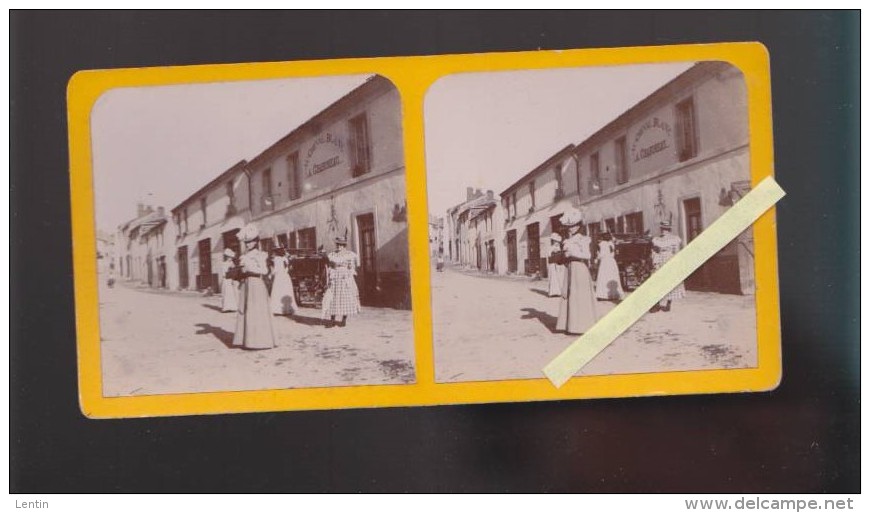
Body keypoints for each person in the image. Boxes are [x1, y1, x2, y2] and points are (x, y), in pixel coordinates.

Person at [232, 224, 277, 349]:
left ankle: (261, 340)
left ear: (256, 242)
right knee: (247, 310)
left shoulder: (260, 255)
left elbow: (263, 271)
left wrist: (249, 269)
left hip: (256, 284)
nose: (247, 245)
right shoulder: (244, 256)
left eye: (250, 242)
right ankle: (248, 340)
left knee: (257, 311)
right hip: (246, 284)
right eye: (246, 242)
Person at [555, 208, 599, 335]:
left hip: (580, 269)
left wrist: (572, 253)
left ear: (578, 226)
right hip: (570, 269)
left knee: (580, 296)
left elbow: (587, 255)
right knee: (571, 295)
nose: (571, 228)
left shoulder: (582, 239)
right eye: (569, 226)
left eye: (573, 226)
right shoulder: (568, 240)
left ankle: (583, 324)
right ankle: (572, 325)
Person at [321, 236, 361, 328]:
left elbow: (351, 267)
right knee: (332, 297)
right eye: (337, 244)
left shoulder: (349, 254)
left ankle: (343, 320)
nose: (339, 246)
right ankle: (332, 320)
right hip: (335, 277)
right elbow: (330, 266)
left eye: (341, 245)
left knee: (345, 298)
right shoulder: (332, 255)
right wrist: (331, 275)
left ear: (344, 245)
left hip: (345, 277)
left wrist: (348, 275)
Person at [650, 221, 686, 312]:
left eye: (665, 229)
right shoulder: (657, 239)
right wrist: (655, 261)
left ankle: (668, 303)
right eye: (662, 229)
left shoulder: (674, 239)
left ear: (669, 229)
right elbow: (654, 251)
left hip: (670, 259)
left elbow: (676, 251)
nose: (663, 231)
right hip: (659, 260)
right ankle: (657, 304)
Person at [595, 232, 624, 301]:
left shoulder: (601, 244)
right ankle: (614, 294)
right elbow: (613, 253)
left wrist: (597, 257)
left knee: (604, 276)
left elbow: (601, 255)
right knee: (612, 276)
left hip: (605, 262)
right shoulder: (611, 244)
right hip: (612, 262)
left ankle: (603, 294)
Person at [270, 248, 298, 316]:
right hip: (286, 277)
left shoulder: (277, 259)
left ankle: (278, 309)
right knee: (286, 291)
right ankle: (288, 309)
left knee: (278, 291)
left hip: (279, 277)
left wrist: (271, 274)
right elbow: (287, 268)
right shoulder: (285, 259)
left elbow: (276, 269)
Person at [546, 233, 565, 297]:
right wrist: (553, 252)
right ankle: (553, 292)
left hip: (558, 264)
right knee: (553, 277)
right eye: (554, 241)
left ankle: (559, 291)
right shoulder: (550, 247)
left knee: (559, 277)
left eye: (557, 241)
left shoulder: (560, 247)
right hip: (552, 264)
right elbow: (548, 255)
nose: (556, 242)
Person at [220, 248, 239, 312]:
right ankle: (226, 307)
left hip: (231, 279)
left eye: (231, 257)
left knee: (232, 293)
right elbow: (224, 272)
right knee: (226, 293)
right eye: (228, 257)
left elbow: (234, 271)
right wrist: (228, 270)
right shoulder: (223, 263)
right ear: (226, 257)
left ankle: (232, 307)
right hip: (226, 279)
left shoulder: (232, 263)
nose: (230, 259)